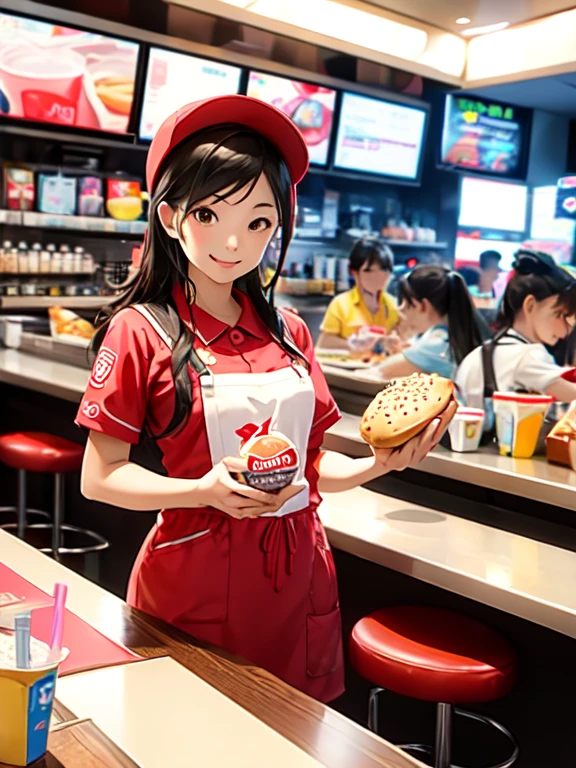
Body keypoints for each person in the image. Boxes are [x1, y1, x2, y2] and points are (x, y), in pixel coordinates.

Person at [75, 95, 455, 704]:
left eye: (258, 222)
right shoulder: (140, 330)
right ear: (171, 217)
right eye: (208, 215)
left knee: (296, 736)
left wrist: (376, 465)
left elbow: (311, 467)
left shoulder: (291, 331)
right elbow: (101, 477)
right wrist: (201, 490)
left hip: (299, 572)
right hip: (193, 573)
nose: (235, 242)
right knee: (191, 734)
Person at [456, 250, 576, 418]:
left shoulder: (484, 351)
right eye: (560, 315)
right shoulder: (528, 355)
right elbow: (572, 394)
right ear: (530, 306)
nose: (566, 330)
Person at [374, 264, 487, 380]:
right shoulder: (452, 337)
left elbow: (377, 373)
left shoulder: (437, 343)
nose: (400, 309)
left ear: (423, 306)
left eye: (406, 303)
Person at [316, 237, 399, 351]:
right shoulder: (341, 304)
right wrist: (354, 345)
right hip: (347, 366)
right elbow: (324, 343)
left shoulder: (394, 305)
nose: (378, 277)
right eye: (369, 271)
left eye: (384, 270)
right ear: (355, 273)